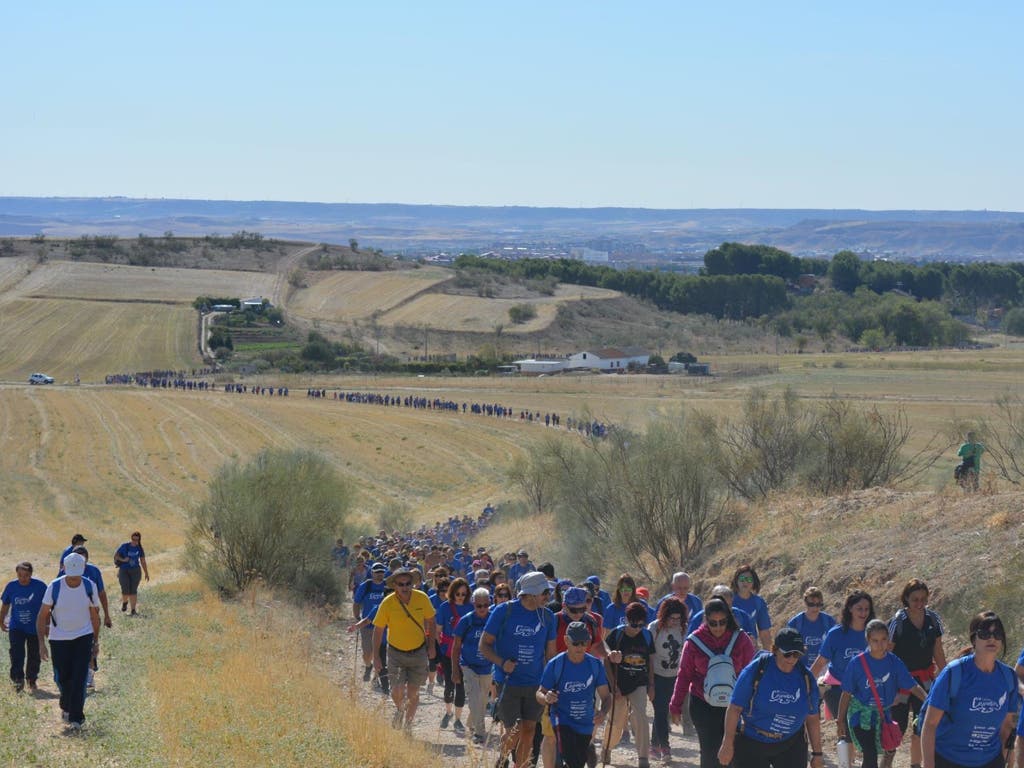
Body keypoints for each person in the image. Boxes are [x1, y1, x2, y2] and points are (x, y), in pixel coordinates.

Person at [479, 570, 557, 768]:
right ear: (530, 594)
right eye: (544, 593)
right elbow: (484, 645)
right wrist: (502, 662)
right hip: (508, 681)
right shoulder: (504, 611)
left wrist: (552, 681)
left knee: (530, 730)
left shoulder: (548, 617)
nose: (548, 597)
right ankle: (502, 760)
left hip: (536, 684)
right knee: (513, 731)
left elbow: (551, 654)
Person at [922, 611, 1018, 768]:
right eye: (985, 633)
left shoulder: (1008, 678)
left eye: (997, 633)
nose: (992, 638)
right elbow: (930, 724)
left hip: (990, 761)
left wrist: (1010, 761)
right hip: (949, 759)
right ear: (974, 638)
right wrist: (928, 765)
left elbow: (1008, 725)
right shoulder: (953, 673)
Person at [717, 627, 824, 768]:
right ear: (774, 650)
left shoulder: (806, 678)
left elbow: (812, 718)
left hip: (790, 743)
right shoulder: (756, 670)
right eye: (787, 654)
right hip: (752, 741)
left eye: (797, 654)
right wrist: (727, 743)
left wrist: (817, 754)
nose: (792, 659)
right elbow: (735, 708)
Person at [670, 597, 756, 768]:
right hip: (702, 704)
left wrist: (754, 706)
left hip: (735, 705)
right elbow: (684, 675)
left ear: (729, 619)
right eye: (713, 623)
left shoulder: (741, 639)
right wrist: (675, 705)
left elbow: (752, 674)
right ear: (705, 620)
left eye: (722, 622)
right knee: (709, 753)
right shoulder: (694, 642)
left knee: (733, 751)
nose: (718, 627)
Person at [837, 619, 927, 768]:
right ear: (868, 640)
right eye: (875, 640)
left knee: (884, 751)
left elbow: (912, 686)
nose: (880, 644)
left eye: (884, 639)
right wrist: (840, 720)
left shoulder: (894, 662)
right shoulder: (857, 663)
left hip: (882, 715)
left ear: (889, 640)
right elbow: (846, 693)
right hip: (860, 714)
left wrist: (929, 701)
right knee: (870, 753)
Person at [36, 553, 100, 730]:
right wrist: (41, 644)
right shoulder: (54, 587)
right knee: (63, 678)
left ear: (82, 571)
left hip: (83, 636)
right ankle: (66, 704)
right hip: (59, 638)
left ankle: (76, 719)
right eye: (71, 576)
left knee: (79, 677)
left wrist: (95, 641)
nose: (73, 580)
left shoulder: (89, 586)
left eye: (77, 576)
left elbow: (95, 616)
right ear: (63, 569)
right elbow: (42, 616)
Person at [887, 579, 947, 768]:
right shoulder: (897, 622)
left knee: (921, 726)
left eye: (923, 599)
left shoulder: (933, 619)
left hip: (925, 681)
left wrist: (946, 676)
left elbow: (938, 650)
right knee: (896, 727)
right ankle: (886, 762)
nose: (919, 603)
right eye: (915, 599)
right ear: (906, 598)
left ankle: (915, 765)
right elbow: (887, 655)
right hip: (901, 683)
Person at [537, 621, 612, 768]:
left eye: (584, 643)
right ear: (566, 640)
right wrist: (546, 698)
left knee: (577, 763)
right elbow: (539, 693)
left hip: (585, 724)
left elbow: (606, 697)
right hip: (562, 720)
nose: (580, 647)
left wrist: (603, 712)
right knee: (570, 761)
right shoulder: (555, 664)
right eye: (576, 643)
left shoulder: (595, 665)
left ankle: (586, 752)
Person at [372, 567, 437, 730]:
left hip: (418, 652)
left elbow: (431, 621)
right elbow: (378, 629)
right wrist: (376, 657)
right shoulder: (387, 603)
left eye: (408, 583)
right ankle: (400, 709)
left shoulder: (422, 598)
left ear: (412, 583)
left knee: (413, 693)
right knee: (396, 691)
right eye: (401, 584)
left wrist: (431, 646)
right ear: (395, 585)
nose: (405, 587)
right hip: (395, 653)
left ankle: (408, 725)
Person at [604, 601, 656, 768]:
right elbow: (606, 662)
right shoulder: (616, 635)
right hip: (618, 683)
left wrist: (651, 685)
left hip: (639, 683)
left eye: (641, 625)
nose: (637, 628)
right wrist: (613, 685)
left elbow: (651, 661)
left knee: (641, 716)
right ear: (626, 619)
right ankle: (607, 749)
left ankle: (643, 757)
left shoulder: (647, 636)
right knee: (616, 721)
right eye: (634, 624)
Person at [811, 589, 876, 721]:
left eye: (866, 609)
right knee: (848, 731)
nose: (863, 613)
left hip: (865, 689)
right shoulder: (836, 634)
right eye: (859, 608)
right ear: (850, 608)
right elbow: (820, 662)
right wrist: (804, 684)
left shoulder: (875, 634)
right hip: (836, 689)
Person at [451, 587, 493, 744]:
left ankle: (471, 723)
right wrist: (455, 671)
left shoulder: (493, 619)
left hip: (488, 666)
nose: (482, 609)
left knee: (482, 700)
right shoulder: (466, 620)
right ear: (473, 604)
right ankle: (480, 733)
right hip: (468, 665)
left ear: (489, 603)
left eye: (485, 605)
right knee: (475, 697)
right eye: (478, 606)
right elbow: (456, 646)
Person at [649, 596, 688, 762]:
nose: (675, 622)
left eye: (678, 619)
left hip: (675, 676)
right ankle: (665, 747)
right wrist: (649, 682)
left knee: (664, 710)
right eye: (672, 618)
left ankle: (653, 745)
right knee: (660, 710)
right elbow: (648, 656)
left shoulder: (683, 629)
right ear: (664, 616)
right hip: (657, 675)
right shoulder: (654, 628)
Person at [1, 561, 47, 693]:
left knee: (34, 655)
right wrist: (1, 620)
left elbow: (48, 606)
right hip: (17, 627)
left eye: (26, 575)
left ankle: (31, 679)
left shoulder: (40, 587)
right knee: (16, 654)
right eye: (20, 575)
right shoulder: (11, 586)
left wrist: (47, 624)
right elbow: (5, 605)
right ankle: (17, 680)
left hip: (35, 628)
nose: (23, 578)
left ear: (31, 575)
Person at [437, 577, 473, 733]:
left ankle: (458, 719)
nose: (460, 597)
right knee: (449, 684)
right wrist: (440, 648)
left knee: (460, 686)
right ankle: (448, 712)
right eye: (458, 593)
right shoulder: (444, 607)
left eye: (464, 594)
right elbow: (438, 630)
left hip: (465, 653)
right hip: (447, 652)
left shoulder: (471, 608)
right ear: (453, 593)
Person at [353, 562, 388, 682]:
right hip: (367, 624)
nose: (379, 574)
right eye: (377, 572)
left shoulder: (388, 586)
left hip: (383, 625)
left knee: (379, 652)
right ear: (372, 572)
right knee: (367, 653)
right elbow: (356, 602)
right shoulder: (365, 586)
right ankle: (368, 666)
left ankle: (377, 677)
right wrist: (357, 617)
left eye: (381, 572)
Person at [787, 587, 836, 671]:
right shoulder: (795, 623)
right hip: (800, 667)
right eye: (811, 604)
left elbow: (835, 646)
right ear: (805, 603)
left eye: (819, 604)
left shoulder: (829, 621)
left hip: (823, 669)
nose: (815, 608)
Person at [688, 585, 758, 638]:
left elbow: (752, 641)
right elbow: (690, 642)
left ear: (732, 600)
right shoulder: (698, 619)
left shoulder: (743, 617)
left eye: (728, 605)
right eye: (720, 605)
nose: (724, 609)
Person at [731, 564, 773, 650]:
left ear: (754, 582)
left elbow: (764, 633)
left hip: (751, 649)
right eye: (742, 579)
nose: (745, 582)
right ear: (736, 580)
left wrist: (767, 656)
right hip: (731, 650)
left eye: (749, 579)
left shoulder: (758, 602)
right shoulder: (728, 601)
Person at [113, 531, 149, 616]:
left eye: (136, 540)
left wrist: (146, 573)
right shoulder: (124, 546)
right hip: (124, 570)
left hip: (135, 571)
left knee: (133, 591)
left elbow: (143, 561)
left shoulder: (139, 548)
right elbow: (116, 556)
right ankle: (125, 602)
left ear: (139, 540)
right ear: (131, 538)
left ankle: (133, 610)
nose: (134, 541)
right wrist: (123, 560)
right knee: (125, 590)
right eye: (133, 539)